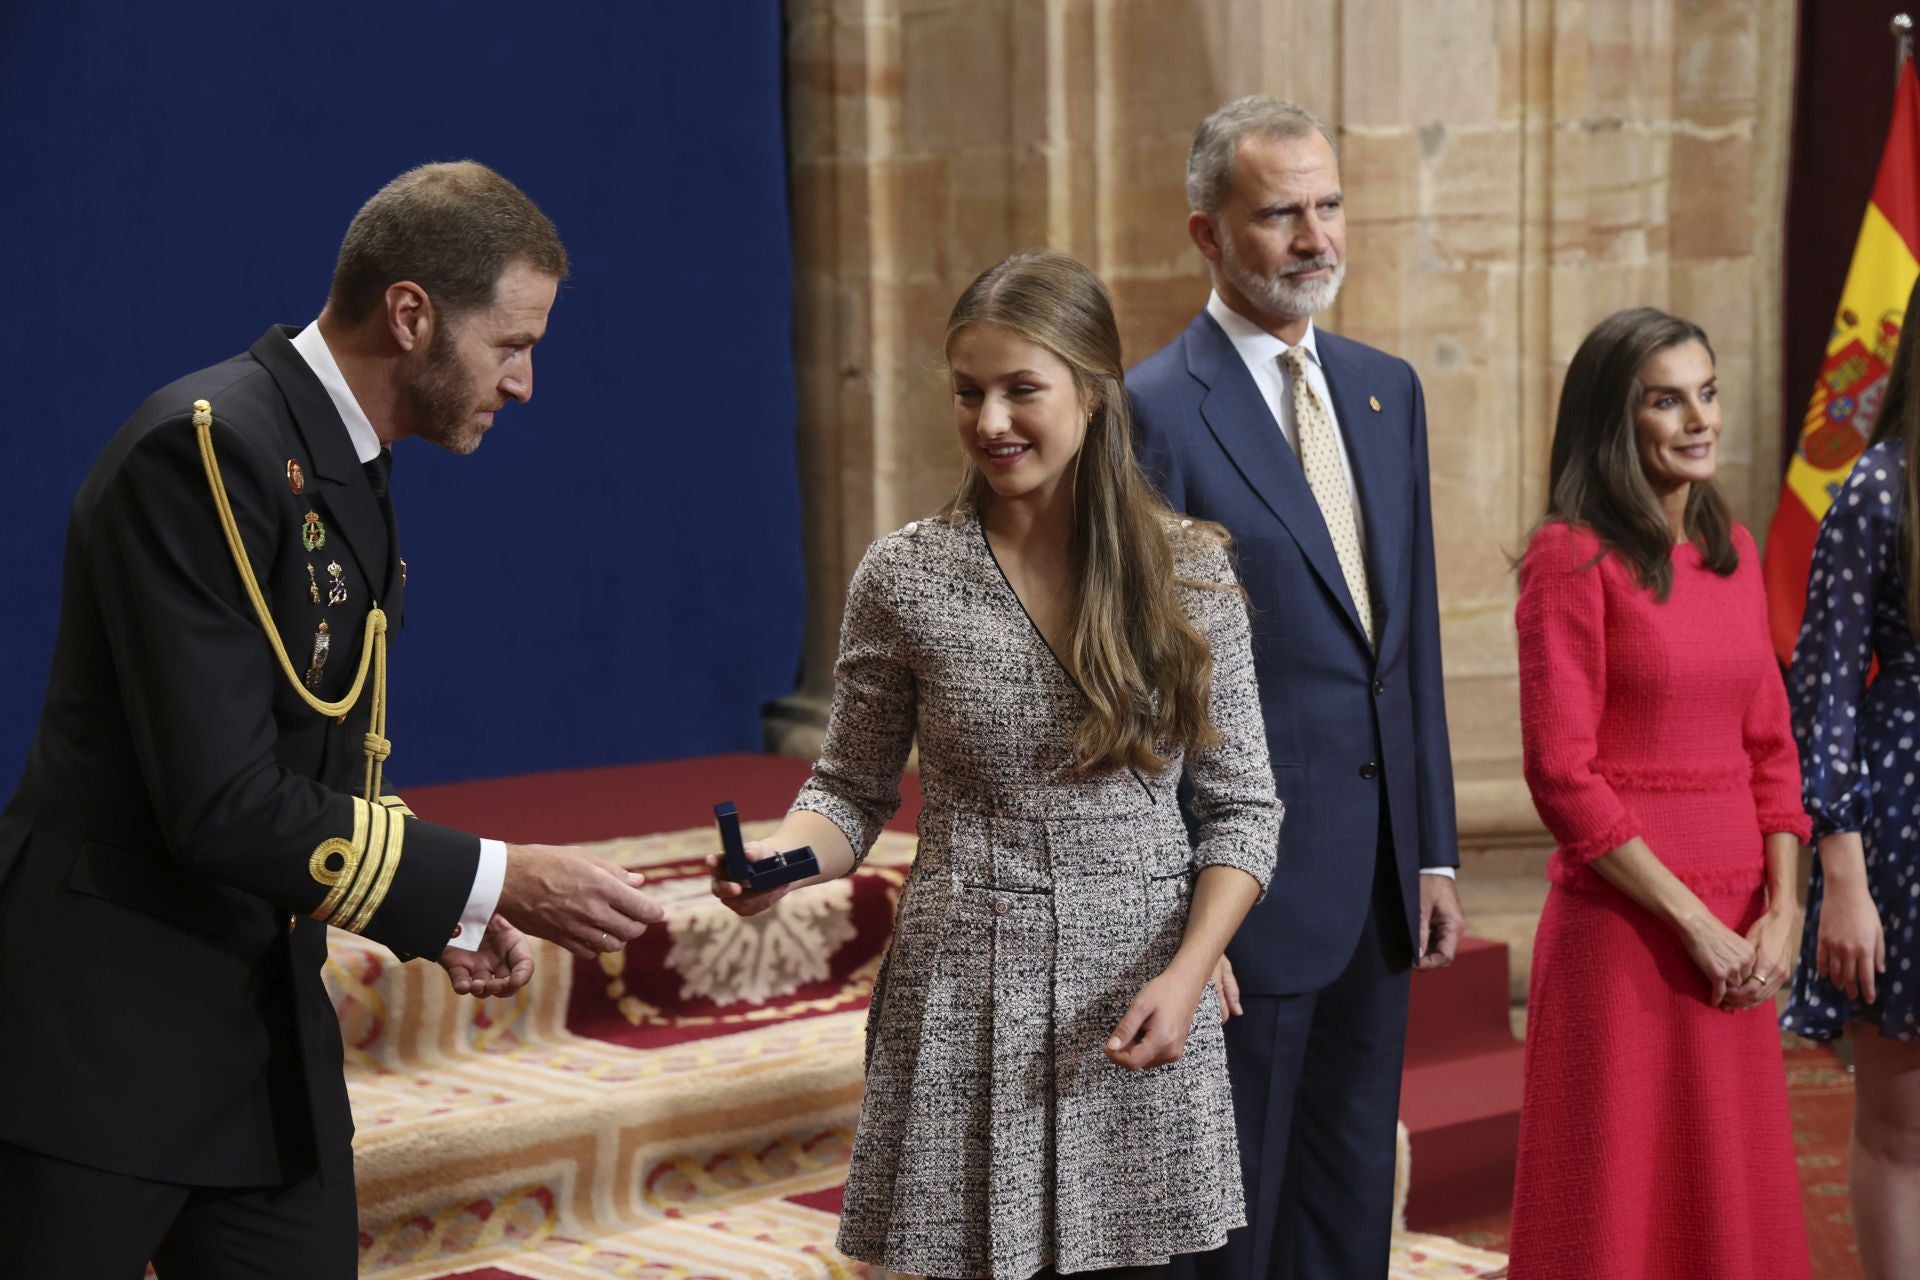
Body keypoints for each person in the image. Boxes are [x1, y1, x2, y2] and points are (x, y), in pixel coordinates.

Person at [0, 162, 667, 1279]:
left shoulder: (337, 458)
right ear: (412, 315)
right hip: (102, 1039)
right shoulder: (205, 449)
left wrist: (439, 910)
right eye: (511, 344)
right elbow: (220, 800)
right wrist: (497, 876)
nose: (525, 382)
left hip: (260, 1043)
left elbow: (317, 758)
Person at [710, 250, 1280, 1279]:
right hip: (965, 985)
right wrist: (780, 864)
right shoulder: (908, 572)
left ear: (1094, 395)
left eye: (1023, 389)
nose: (991, 422)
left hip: (1140, 985)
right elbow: (847, 790)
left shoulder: (1189, 567)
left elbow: (1243, 814)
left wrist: (1190, 971)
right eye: (969, 392)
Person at [1128, 97, 1463, 1278]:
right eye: (1279, 215)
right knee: (1232, 1230)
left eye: (1327, 206)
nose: (1316, 237)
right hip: (1246, 898)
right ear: (1209, 234)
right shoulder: (1154, 409)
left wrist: (1430, 851)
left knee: (1345, 1199)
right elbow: (1149, 692)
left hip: (1376, 884)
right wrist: (1182, 915)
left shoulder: (1387, 389)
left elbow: (1403, 638)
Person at [1508, 308, 1810, 1278]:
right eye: (1666, 399)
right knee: (1617, 1213)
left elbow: (1772, 748)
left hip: (1740, 934)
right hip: (1630, 938)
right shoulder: (1570, 555)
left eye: (1708, 392)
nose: (1699, 418)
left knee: (1727, 1197)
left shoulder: (1735, 555)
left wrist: (1786, 912)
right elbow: (1562, 772)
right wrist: (1694, 923)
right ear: (1613, 419)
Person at [1783, 274, 1920, 1280]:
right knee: (1903, 1129)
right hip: (1904, 827)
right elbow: (1821, 689)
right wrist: (1845, 876)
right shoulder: (1881, 485)